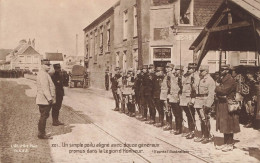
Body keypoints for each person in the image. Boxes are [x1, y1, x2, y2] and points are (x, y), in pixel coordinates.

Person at [215, 64, 240, 152]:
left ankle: (230, 144)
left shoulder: (230, 79)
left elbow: (223, 91)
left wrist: (217, 86)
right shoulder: (223, 79)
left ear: (227, 71)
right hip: (223, 103)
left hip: (228, 104)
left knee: (229, 124)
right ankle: (226, 143)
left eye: (223, 70)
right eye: (221, 69)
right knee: (224, 124)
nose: (221, 71)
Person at [193, 65, 215, 144]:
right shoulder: (200, 79)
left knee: (205, 119)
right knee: (201, 119)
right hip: (199, 101)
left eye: (202, 71)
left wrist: (208, 105)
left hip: (205, 101)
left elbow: (211, 94)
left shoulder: (210, 80)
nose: (200, 72)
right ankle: (203, 135)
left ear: (206, 71)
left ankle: (207, 136)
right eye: (200, 71)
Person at [36, 59, 56, 139]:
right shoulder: (43, 74)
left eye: (49, 65)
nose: (49, 66)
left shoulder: (43, 73)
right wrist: (50, 99)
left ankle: (41, 132)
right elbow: (45, 88)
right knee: (44, 116)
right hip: (45, 100)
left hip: (43, 99)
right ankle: (42, 134)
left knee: (43, 116)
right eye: (47, 65)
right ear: (42, 65)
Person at [180, 63, 198, 139]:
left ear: (194, 69)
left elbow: (195, 89)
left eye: (190, 68)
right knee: (188, 115)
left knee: (191, 115)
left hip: (190, 98)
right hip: (184, 98)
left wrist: (193, 99)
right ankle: (190, 130)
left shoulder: (195, 77)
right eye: (188, 68)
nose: (188, 70)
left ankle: (192, 131)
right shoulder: (187, 76)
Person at [169, 65, 183, 135]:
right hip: (172, 97)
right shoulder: (173, 77)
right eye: (175, 70)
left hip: (178, 98)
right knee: (175, 113)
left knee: (178, 114)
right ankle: (177, 128)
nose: (176, 71)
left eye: (178, 70)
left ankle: (179, 128)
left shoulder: (181, 78)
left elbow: (182, 89)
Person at [162, 63, 173, 131]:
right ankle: (168, 124)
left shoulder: (171, 76)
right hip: (164, 95)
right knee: (166, 110)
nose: (167, 69)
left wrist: (169, 94)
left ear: (171, 68)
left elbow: (171, 86)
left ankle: (170, 125)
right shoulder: (166, 75)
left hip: (169, 95)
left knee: (168, 110)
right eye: (166, 67)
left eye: (168, 67)